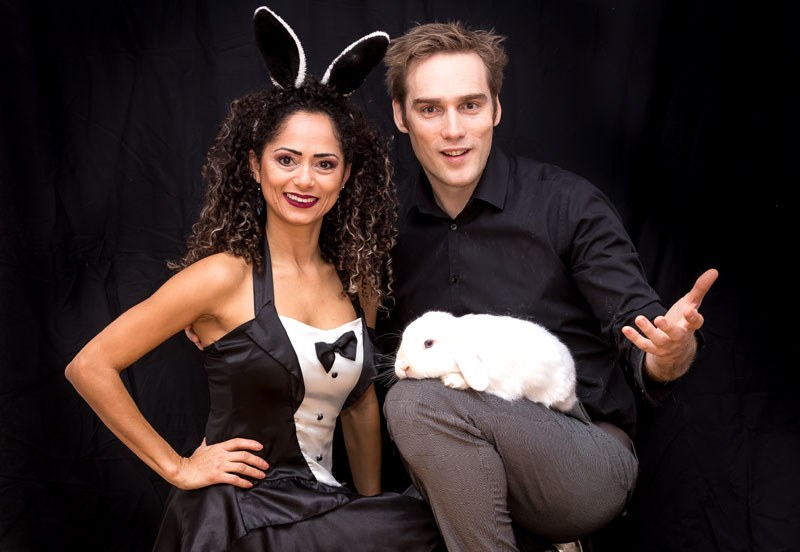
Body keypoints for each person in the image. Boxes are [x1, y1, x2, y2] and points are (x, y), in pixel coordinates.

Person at [65, 8, 441, 551]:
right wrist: (177, 467)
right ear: (254, 165)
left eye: (324, 163)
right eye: (286, 159)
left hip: (325, 510)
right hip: (239, 511)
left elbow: (359, 403)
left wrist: (369, 512)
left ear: (345, 176)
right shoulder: (221, 276)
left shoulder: (358, 280)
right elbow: (89, 366)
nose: (304, 180)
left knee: (428, 526)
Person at [378, 21, 718, 551]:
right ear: (401, 116)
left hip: (580, 453)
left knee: (412, 400)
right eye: (430, 109)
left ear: (496, 109)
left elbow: (645, 338)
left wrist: (670, 349)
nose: (453, 129)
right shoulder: (382, 226)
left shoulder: (567, 204)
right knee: (363, 529)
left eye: (470, 105)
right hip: (451, 470)